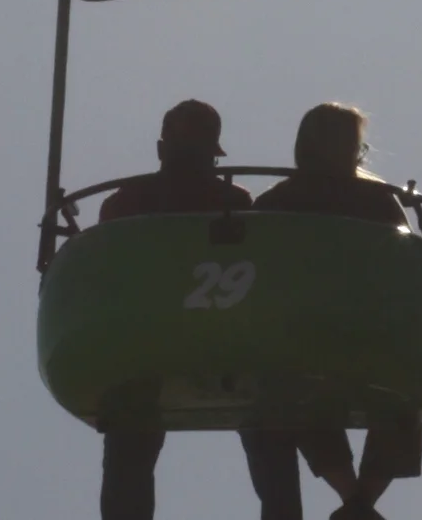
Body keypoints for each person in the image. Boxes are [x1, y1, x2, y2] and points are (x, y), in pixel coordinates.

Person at [94, 101, 302, 520]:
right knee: (266, 428)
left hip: (149, 339)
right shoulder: (234, 201)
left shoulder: (124, 204)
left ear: (161, 149)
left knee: (131, 439)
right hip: (226, 334)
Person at [243, 102, 422, 517]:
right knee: (403, 393)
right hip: (364, 332)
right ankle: (361, 502)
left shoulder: (275, 202)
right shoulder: (378, 200)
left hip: (300, 335)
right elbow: (407, 262)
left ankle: (354, 499)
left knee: (303, 392)